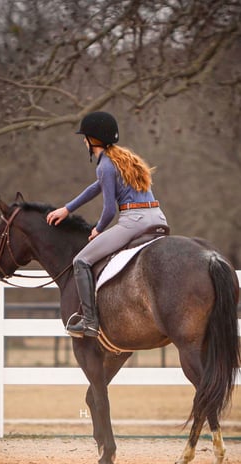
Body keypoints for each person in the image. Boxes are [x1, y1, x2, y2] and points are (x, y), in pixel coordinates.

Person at [46, 111, 168, 338]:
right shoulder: (125, 160)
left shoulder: (105, 165)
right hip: (159, 219)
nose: (83, 141)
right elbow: (96, 187)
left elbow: (110, 210)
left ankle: (90, 321)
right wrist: (67, 208)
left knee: (81, 260)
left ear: (94, 139)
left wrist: (98, 229)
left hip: (135, 222)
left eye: (85, 137)